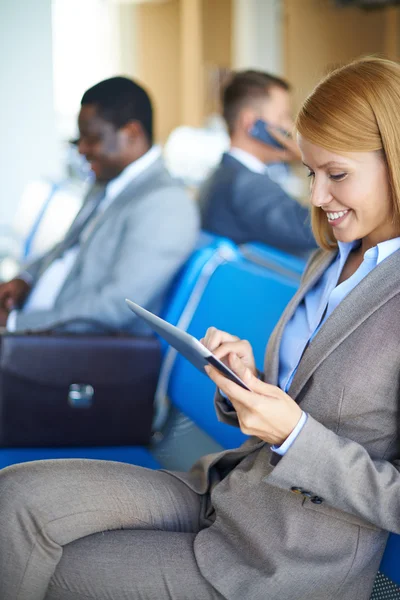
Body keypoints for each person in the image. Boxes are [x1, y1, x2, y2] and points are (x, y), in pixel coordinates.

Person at [1, 56, 400, 600]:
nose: (316, 197)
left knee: (53, 568)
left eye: (337, 175)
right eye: (311, 173)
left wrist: (293, 435)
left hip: (285, 558)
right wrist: (246, 382)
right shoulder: (332, 256)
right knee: (14, 499)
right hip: (226, 487)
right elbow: (300, 398)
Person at [0, 77, 199, 333]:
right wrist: (25, 280)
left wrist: (15, 324)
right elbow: (65, 249)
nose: (82, 149)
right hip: (37, 325)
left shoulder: (167, 203)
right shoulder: (106, 182)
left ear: (131, 133)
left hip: (80, 348)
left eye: (92, 138)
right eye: (79, 139)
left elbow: (116, 305)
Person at [199, 70, 317, 255]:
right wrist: (314, 161)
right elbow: (317, 230)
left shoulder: (224, 174)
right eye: (283, 117)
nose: (289, 127)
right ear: (251, 123)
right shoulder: (247, 183)